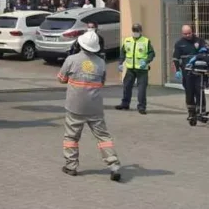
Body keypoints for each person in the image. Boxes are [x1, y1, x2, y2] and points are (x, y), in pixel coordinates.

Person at [57, 31, 121, 181]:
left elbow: (61, 79)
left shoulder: (71, 59)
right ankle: (114, 165)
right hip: (95, 106)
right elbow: (102, 82)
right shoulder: (101, 63)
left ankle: (71, 166)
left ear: (80, 44)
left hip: (75, 106)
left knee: (71, 137)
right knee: (103, 136)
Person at [116, 23, 155, 114]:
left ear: (140, 31)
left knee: (141, 89)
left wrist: (146, 61)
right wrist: (120, 63)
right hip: (130, 69)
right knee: (126, 87)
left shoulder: (146, 41)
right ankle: (125, 104)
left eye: (137, 31)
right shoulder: (127, 40)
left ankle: (141, 107)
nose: (135, 32)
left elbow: (152, 53)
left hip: (142, 70)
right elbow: (123, 53)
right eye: (134, 31)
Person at [173, 25, 207, 122]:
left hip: (199, 71)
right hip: (187, 72)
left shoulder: (199, 40)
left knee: (200, 91)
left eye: (189, 33)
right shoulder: (179, 43)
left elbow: (207, 49)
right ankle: (191, 113)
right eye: (185, 34)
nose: (188, 35)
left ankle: (202, 113)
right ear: (182, 33)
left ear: (192, 32)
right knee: (189, 92)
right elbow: (175, 58)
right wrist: (177, 70)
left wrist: (204, 51)